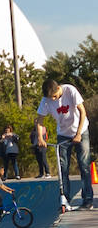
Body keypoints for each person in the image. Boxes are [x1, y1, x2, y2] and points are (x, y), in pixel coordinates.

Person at [35, 79, 93, 210]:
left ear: (58, 89)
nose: (53, 100)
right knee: (63, 168)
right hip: (63, 134)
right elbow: (40, 121)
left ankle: (87, 200)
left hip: (81, 131)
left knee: (83, 165)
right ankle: (65, 200)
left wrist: (78, 134)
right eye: (51, 98)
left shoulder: (70, 90)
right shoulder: (46, 100)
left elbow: (82, 111)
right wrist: (40, 137)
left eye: (54, 97)